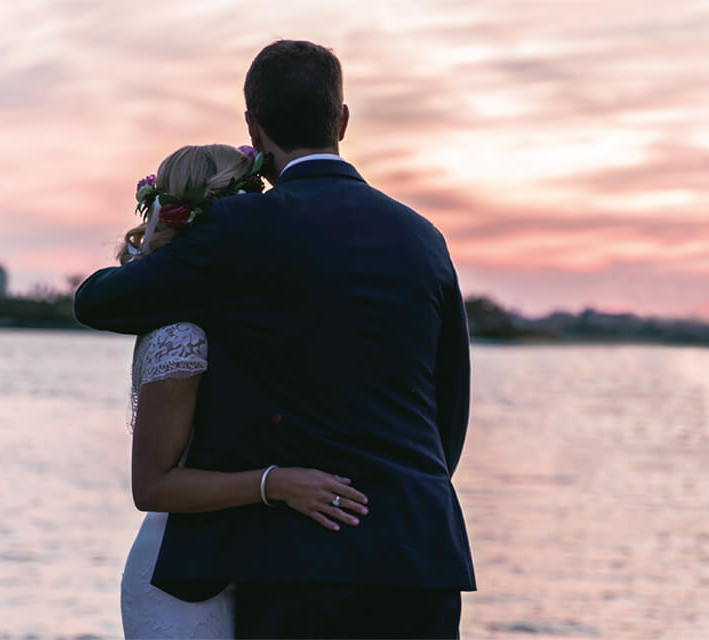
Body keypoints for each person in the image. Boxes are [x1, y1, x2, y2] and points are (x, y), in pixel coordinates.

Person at [74, 40, 475, 638]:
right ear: (342, 120)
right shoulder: (424, 238)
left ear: (254, 130)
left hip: (303, 562)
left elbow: (97, 301)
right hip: (423, 555)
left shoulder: (241, 229)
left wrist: (165, 241)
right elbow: (450, 408)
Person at [116, 144, 369, 638]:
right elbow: (152, 487)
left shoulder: (239, 322)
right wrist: (277, 483)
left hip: (243, 561)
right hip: (177, 578)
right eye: (254, 197)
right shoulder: (182, 335)